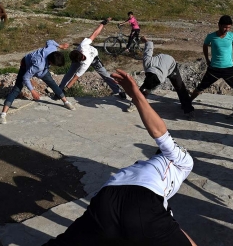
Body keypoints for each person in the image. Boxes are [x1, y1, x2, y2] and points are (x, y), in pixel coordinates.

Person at [44, 69, 196, 246]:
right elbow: (159, 132)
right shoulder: (183, 161)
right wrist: (136, 94)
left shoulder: (141, 168)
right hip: (140, 200)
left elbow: (170, 224)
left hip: (106, 199)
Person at [0, 40, 75, 124]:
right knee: (17, 89)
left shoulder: (52, 49)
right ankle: (3, 114)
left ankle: (66, 102)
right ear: (51, 62)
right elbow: (26, 77)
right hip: (26, 65)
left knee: (52, 84)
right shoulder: (39, 65)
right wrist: (33, 91)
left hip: (42, 71)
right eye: (54, 65)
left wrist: (60, 46)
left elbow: (49, 41)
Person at [186, 15, 233, 116]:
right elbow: (205, 45)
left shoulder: (232, 36)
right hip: (214, 68)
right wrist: (207, 59)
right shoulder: (211, 36)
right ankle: (187, 102)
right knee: (201, 87)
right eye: (224, 27)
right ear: (219, 25)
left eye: (228, 27)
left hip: (229, 69)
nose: (226, 29)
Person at [59, 18, 126, 99]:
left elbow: (75, 78)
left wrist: (66, 89)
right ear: (79, 51)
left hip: (94, 59)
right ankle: (59, 90)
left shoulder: (85, 64)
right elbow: (95, 34)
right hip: (85, 56)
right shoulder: (83, 45)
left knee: (105, 75)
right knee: (70, 72)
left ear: (78, 60)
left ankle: (118, 91)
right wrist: (103, 23)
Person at [137, 36, 193, 115]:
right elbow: (149, 48)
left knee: (180, 87)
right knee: (145, 87)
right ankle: (135, 102)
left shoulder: (162, 78)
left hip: (171, 65)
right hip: (159, 63)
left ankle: (188, 110)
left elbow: (158, 80)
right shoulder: (147, 62)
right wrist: (145, 40)